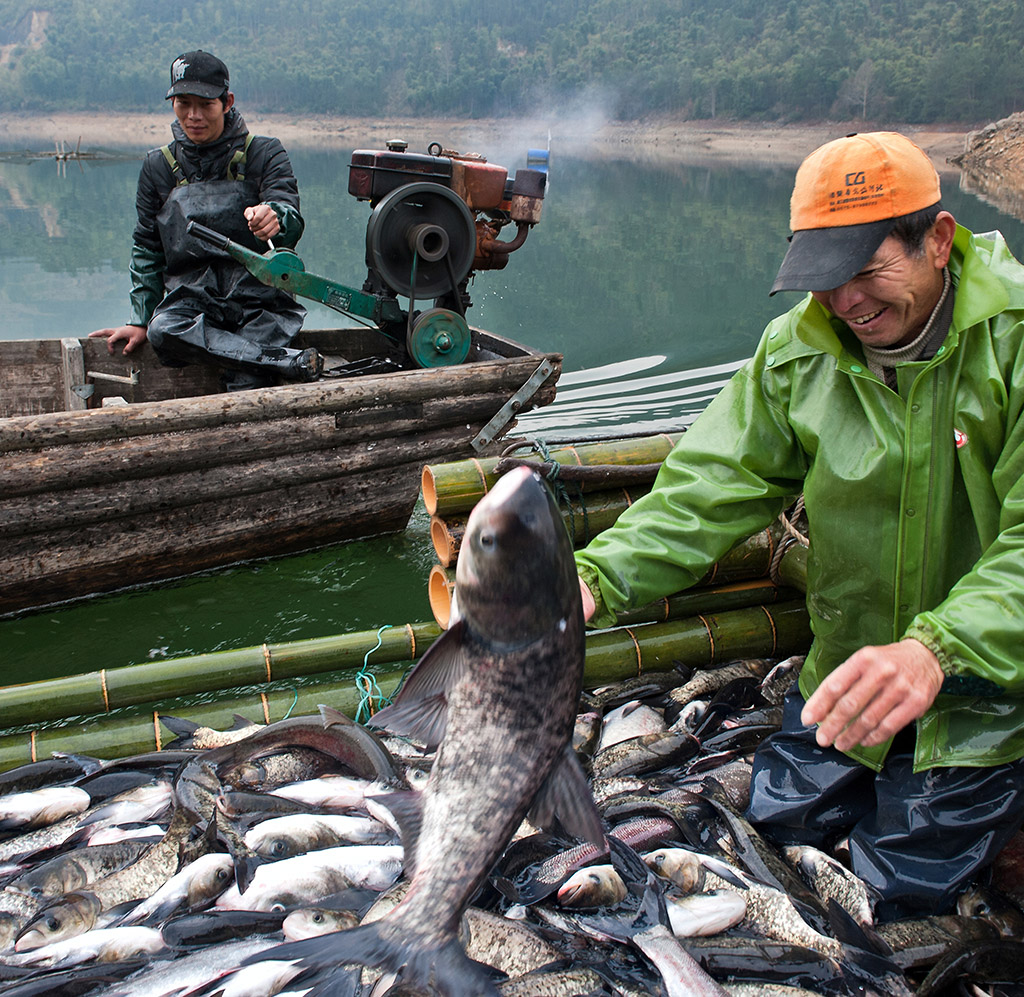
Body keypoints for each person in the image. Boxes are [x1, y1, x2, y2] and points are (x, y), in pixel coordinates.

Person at [575, 131, 1024, 920]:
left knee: (897, 897)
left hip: (987, 701)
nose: (846, 301)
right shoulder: (800, 350)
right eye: (824, 279)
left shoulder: (1015, 343)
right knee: (773, 836)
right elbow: (712, 481)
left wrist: (936, 649)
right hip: (845, 685)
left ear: (939, 241)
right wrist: (595, 576)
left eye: (866, 271)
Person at [90, 50, 321, 389]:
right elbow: (147, 247)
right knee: (161, 330)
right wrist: (140, 319)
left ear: (227, 102)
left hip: (261, 303)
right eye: (184, 103)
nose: (194, 116)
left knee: (246, 379)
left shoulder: (265, 153)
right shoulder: (158, 167)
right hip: (190, 303)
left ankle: (255, 365)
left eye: (206, 104)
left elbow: (289, 214)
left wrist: (274, 218)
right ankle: (282, 360)